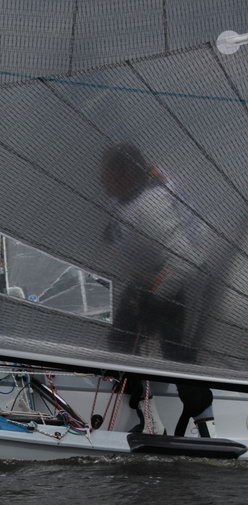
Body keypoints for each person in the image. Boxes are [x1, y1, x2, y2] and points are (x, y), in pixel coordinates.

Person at [100, 142, 214, 436]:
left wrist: (153, 296)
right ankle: (154, 418)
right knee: (124, 347)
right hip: (147, 284)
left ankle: (199, 426)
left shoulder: (149, 206)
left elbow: (185, 261)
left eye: (107, 174)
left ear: (126, 175)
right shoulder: (130, 196)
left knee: (169, 356)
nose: (101, 180)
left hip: (165, 287)